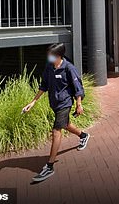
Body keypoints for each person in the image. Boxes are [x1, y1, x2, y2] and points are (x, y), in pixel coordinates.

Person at [22, 43, 90, 182]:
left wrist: (79, 104)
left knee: (56, 130)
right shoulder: (49, 67)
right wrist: (33, 102)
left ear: (59, 56)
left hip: (65, 103)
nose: (49, 57)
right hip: (54, 103)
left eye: (51, 55)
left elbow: (78, 87)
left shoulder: (69, 68)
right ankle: (83, 135)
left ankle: (49, 166)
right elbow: (44, 85)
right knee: (65, 124)